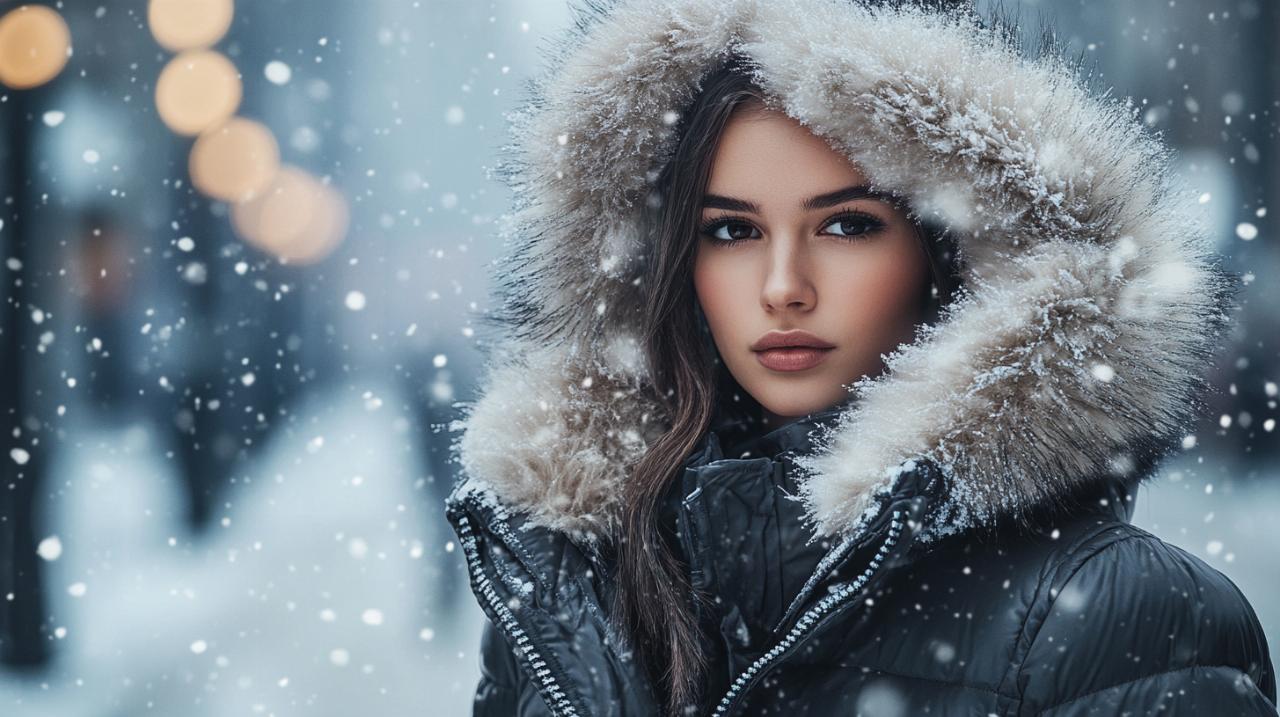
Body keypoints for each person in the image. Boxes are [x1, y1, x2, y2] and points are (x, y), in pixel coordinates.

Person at [443, 0, 1278, 715]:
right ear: (670, 266)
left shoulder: (1123, 618)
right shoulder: (571, 594)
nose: (783, 287)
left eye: (847, 225)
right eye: (732, 230)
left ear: (950, 252)